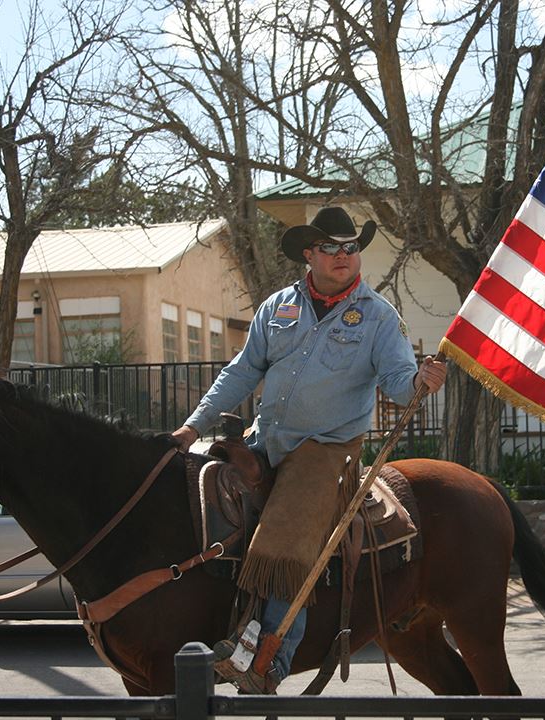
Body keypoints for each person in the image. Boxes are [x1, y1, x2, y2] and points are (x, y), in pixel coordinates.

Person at [171, 206, 447, 694]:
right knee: (198, 497)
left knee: (287, 536)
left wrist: (421, 381)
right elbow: (242, 371)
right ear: (309, 253)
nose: (343, 256)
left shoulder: (380, 317)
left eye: (351, 247)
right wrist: (193, 429)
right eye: (331, 247)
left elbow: (399, 385)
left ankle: (269, 659)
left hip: (327, 449)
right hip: (265, 438)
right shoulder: (277, 306)